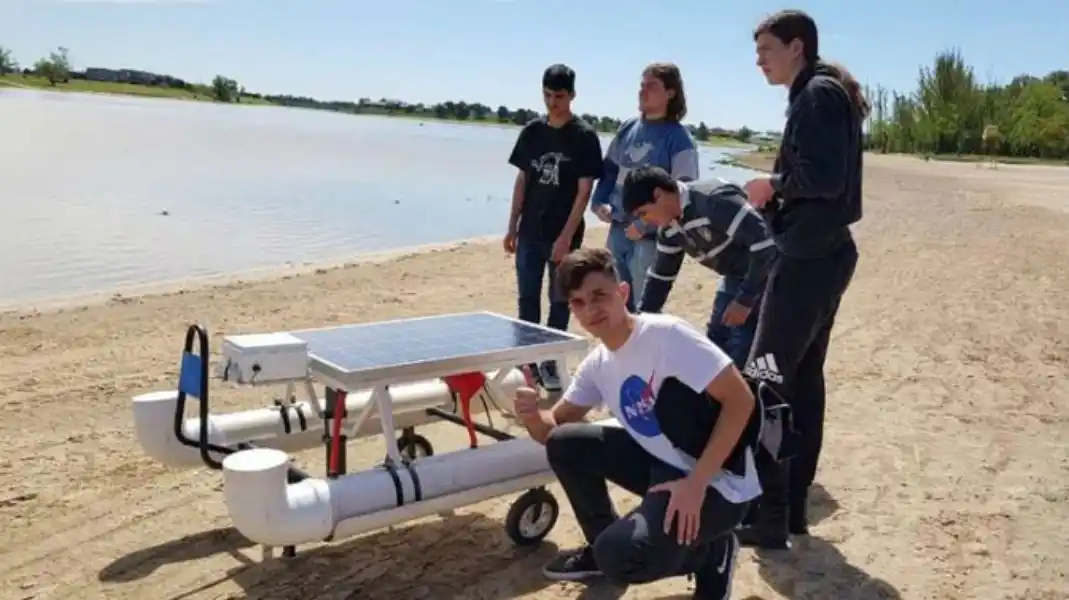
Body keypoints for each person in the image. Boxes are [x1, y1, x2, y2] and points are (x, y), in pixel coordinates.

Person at [511, 247, 763, 599]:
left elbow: (741, 401)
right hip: (661, 467)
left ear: (623, 293)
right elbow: (551, 430)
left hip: (718, 483)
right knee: (565, 442)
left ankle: (710, 554)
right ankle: (600, 544)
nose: (590, 309)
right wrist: (531, 414)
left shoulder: (665, 336)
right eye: (578, 302)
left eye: (599, 295)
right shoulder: (598, 363)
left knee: (621, 557)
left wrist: (695, 484)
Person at [736, 9, 868, 549]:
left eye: (767, 49)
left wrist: (772, 185)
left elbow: (824, 177)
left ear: (796, 47)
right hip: (824, 253)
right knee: (801, 380)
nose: (760, 60)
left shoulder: (815, 95)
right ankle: (789, 509)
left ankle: (769, 514)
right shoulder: (822, 92)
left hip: (810, 256)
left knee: (765, 379)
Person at [504, 64, 604, 392]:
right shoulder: (532, 132)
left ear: (572, 95)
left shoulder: (584, 136)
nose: (552, 101)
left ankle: (550, 363)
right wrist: (512, 226)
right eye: (547, 94)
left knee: (559, 300)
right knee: (527, 299)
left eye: (559, 95)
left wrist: (565, 238)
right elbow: (522, 180)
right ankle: (527, 361)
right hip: (530, 230)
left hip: (563, 233)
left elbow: (584, 191)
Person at [621, 165, 778, 369]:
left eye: (644, 213)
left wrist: (745, 300)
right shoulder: (669, 228)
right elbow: (661, 278)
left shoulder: (713, 200)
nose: (646, 221)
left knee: (745, 349)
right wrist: (641, 324)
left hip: (772, 273)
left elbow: (765, 244)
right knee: (716, 341)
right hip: (735, 276)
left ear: (658, 194)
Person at [590, 63, 700, 313]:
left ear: (670, 93)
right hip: (618, 230)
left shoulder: (680, 139)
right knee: (615, 302)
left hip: (652, 239)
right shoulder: (628, 128)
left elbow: (685, 193)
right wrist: (598, 200)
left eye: (651, 86)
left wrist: (645, 225)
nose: (643, 91)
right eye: (642, 85)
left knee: (644, 307)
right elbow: (609, 169)